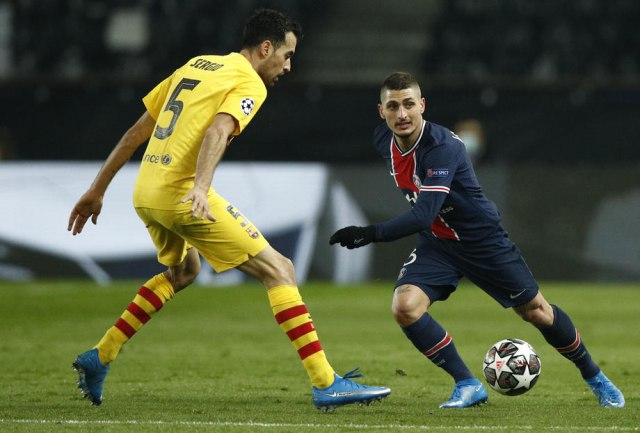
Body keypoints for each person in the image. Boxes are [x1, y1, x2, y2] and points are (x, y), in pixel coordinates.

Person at [67, 8, 390, 410]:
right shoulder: (248, 81)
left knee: (184, 271)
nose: (288, 66)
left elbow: (136, 132)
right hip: (182, 193)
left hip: (146, 192)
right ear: (266, 48)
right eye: (287, 55)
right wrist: (201, 188)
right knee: (280, 270)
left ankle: (101, 356)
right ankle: (326, 383)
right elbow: (218, 130)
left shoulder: (196, 65)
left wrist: (96, 190)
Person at [329, 71, 625, 409]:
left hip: (481, 240)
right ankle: (467, 384)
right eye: (393, 106)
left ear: (422, 105)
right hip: (438, 243)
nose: (402, 114)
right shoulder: (383, 138)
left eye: (409, 104)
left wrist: (368, 233)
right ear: (381, 111)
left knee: (537, 312)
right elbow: (426, 219)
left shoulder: (442, 147)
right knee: (405, 307)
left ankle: (596, 377)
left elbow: (423, 214)